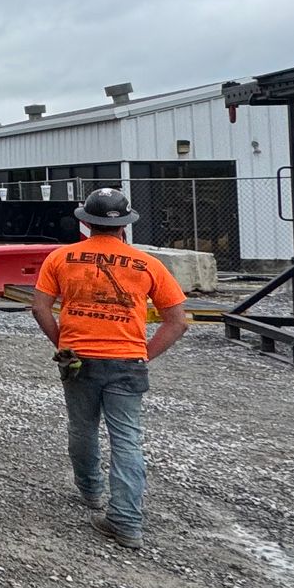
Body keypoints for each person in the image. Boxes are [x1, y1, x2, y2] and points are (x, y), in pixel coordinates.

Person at [29, 187, 189, 549]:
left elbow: (40, 308)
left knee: (82, 428)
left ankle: (91, 493)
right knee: (127, 440)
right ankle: (127, 521)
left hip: (78, 360)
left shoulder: (61, 258)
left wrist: (63, 344)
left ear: (85, 221)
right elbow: (177, 321)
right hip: (128, 362)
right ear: (125, 225)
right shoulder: (148, 265)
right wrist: (142, 354)